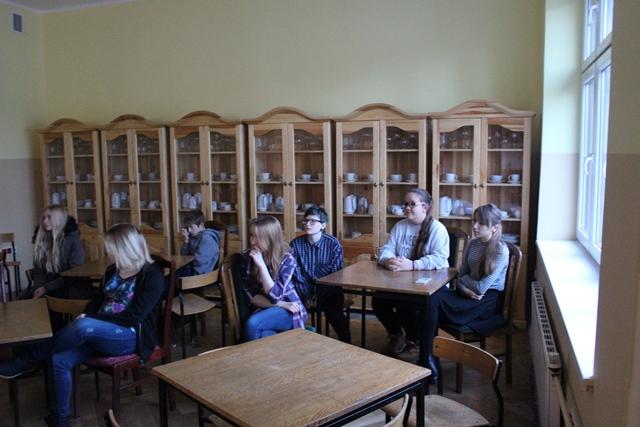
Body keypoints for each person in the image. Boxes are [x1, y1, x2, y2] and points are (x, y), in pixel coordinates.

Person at [0, 223, 166, 427]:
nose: (107, 251)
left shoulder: (152, 274)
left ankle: (29, 358)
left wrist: (91, 320)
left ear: (124, 247)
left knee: (83, 326)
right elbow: (96, 302)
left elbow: (135, 317)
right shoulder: (112, 270)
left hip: (130, 336)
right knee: (58, 360)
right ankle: (60, 420)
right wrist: (89, 316)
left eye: (110, 247)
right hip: (99, 333)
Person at [424, 203, 509, 381]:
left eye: (481, 223)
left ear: (494, 227)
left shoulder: (501, 250)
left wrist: (466, 282)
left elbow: (481, 288)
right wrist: (464, 289)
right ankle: (429, 356)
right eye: (474, 221)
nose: (475, 226)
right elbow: (460, 274)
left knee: (432, 306)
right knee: (431, 297)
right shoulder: (473, 244)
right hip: (468, 294)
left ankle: (428, 357)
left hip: (485, 301)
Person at [372, 188, 449, 366]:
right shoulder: (400, 226)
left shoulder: (437, 229)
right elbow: (387, 249)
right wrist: (388, 260)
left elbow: (440, 258)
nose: (407, 208)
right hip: (402, 281)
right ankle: (396, 335)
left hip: (430, 284)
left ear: (425, 207)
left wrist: (413, 265)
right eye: (405, 204)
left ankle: (416, 341)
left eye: (412, 204)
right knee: (378, 299)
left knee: (406, 303)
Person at [240, 216, 307, 341]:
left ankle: (249, 354)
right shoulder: (246, 257)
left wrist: (261, 266)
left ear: (270, 238)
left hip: (291, 310)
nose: (252, 241)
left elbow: (275, 296)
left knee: (253, 324)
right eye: (251, 235)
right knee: (265, 335)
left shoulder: (287, 259)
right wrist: (282, 304)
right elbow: (251, 296)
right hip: (269, 306)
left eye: (258, 237)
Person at [290, 206, 350, 343]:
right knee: (289, 312)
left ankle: (348, 344)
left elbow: (335, 276)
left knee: (335, 315)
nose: (307, 224)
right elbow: (296, 275)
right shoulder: (295, 244)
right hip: (303, 290)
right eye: (305, 221)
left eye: (312, 221)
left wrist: (319, 296)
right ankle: (297, 345)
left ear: (323, 225)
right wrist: (306, 297)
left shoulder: (333, 244)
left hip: (329, 291)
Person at [24, 204, 88, 300]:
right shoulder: (42, 241)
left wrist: (46, 288)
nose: (45, 221)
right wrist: (38, 288)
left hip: (69, 287)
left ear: (59, 220)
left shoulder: (73, 241)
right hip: (47, 286)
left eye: (49, 218)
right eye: (44, 218)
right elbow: (39, 271)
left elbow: (74, 274)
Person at [178, 209, 221, 277]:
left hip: (200, 274)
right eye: (187, 227)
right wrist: (186, 240)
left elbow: (198, 261)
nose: (189, 230)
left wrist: (183, 264)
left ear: (201, 225)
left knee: (169, 279)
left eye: (191, 227)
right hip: (190, 269)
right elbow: (183, 256)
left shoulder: (207, 238)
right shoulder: (193, 235)